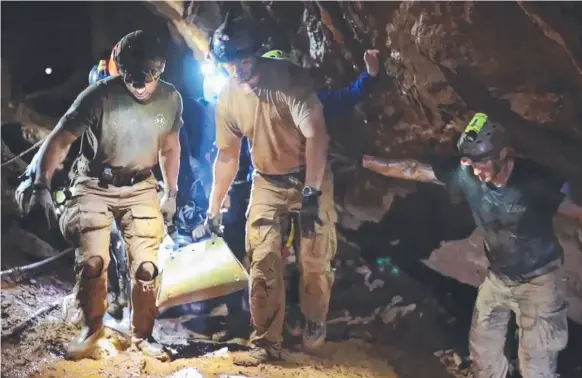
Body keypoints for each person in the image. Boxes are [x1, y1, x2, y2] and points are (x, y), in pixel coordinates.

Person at [361, 112, 582, 378]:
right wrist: (365, 161)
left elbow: (576, 210)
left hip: (541, 281)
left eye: (482, 163)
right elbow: (414, 169)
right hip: (498, 279)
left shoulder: (536, 181)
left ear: (504, 155)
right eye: (470, 162)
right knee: (483, 357)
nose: (477, 170)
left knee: (536, 366)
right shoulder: (468, 174)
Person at [26, 30, 183, 361]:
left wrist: (171, 191)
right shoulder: (97, 96)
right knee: (94, 260)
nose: (139, 85)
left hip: (141, 184)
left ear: (161, 70)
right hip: (95, 183)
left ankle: (143, 334)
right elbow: (61, 139)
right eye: (132, 77)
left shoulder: (170, 100)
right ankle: (92, 329)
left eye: (147, 78)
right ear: (120, 69)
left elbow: (170, 147)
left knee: (146, 267)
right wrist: (41, 182)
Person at [204, 12, 337, 366]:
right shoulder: (228, 97)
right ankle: (266, 341)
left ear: (258, 53)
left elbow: (316, 136)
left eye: (242, 60)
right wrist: (213, 207)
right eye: (228, 63)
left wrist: (311, 191)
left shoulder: (289, 82)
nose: (236, 70)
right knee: (262, 260)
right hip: (266, 180)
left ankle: (314, 319)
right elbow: (227, 155)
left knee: (314, 260)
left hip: (309, 175)